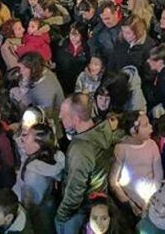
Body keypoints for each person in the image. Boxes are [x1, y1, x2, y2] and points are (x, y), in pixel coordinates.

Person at [56, 92, 123, 234]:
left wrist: (61, 216)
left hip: (81, 211)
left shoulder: (80, 149)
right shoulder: (103, 129)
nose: (60, 117)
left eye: (63, 113)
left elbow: (75, 190)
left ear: (75, 119)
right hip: (99, 200)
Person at [109, 110, 162, 218]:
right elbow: (113, 182)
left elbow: (158, 174)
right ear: (133, 131)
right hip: (133, 203)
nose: (151, 128)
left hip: (153, 200)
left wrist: (153, 198)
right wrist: (129, 202)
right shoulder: (121, 149)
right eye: (146, 125)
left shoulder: (152, 145)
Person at [14, 122, 64, 234]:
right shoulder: (48, 160)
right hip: (48, 209)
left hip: (37, 218)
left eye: (27, 137)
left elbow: (29, 204)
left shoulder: (33, 174)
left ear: (37, 145)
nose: (24, 139)